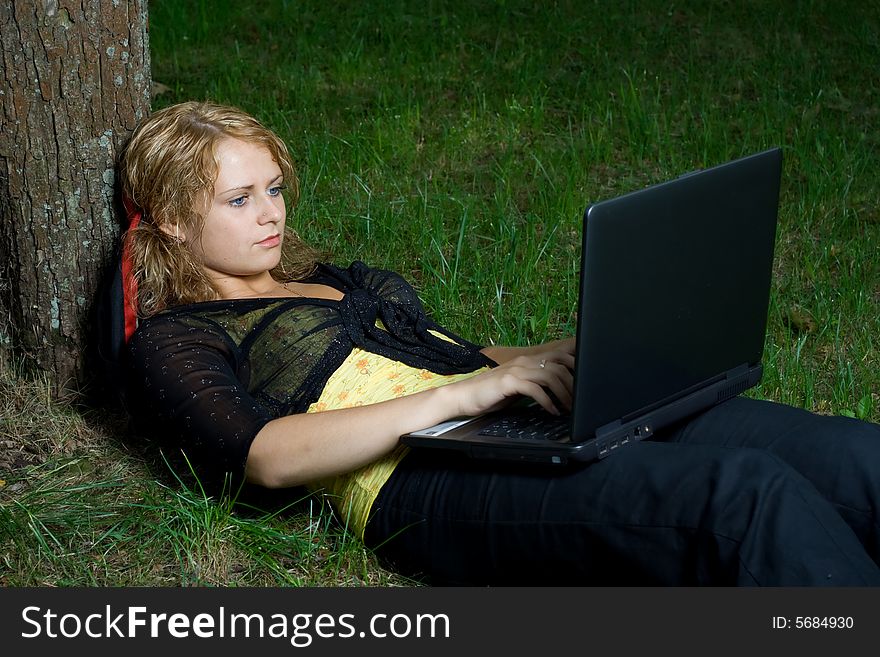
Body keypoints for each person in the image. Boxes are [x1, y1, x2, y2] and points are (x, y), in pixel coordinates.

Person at [119, 101, 880, 586]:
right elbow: (265, 455)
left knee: (847, 457)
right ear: (174, 222)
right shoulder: (176, 335)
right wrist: (462, 397)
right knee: (745, 496)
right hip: (418, 482)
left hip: (502, 420)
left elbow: (467, 356)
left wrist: (578, 350)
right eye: (240, 198)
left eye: (275, 187)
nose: (270, 213)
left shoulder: (328, 277)